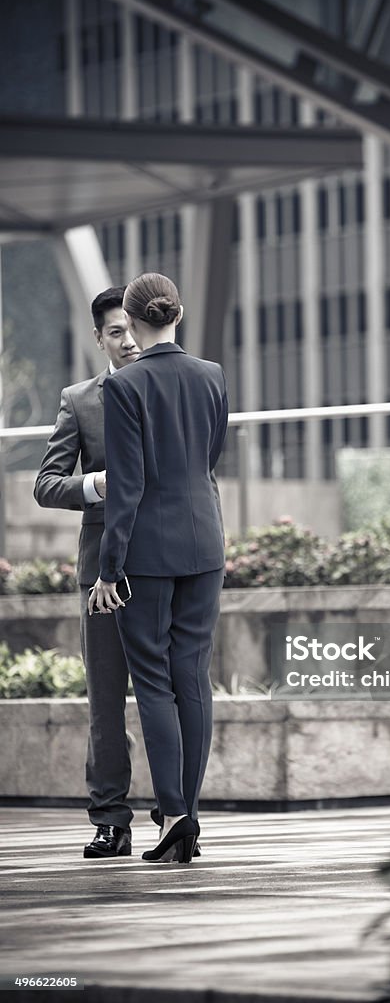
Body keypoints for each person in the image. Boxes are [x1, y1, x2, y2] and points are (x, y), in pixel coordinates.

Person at [88, 272, 228, 865]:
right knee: (192, 679)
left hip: (145, 550)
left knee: (152, 682)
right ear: (177, 314)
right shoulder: (212, 375)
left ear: (133, 320)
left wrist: (106, 569)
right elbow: (210, 457)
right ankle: (188, 816)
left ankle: (173, 813)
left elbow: (127, 487)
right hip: (205, 541)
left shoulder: (124, 386)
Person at [34, 288, 139, 858]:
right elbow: (46, 484)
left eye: (134, 328)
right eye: (116, 332)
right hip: (102, 570)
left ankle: (177, 815)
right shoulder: (80, 400)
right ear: (98, 337)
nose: (128, 341)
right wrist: (96, 486)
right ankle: (110, 818)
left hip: (168, 565)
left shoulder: (174, 387)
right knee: (105, 700)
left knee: (171, 694)